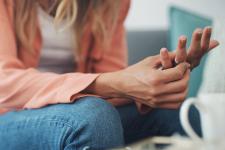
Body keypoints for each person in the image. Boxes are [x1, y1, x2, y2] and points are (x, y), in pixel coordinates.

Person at [0, 0, 219, 149]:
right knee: (92, 117)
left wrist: (155, 79)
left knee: (178, 113)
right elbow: (4, 83)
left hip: (78, 106)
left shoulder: (111, 4)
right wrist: (111, 82)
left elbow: (112, 83)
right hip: (10, 116)